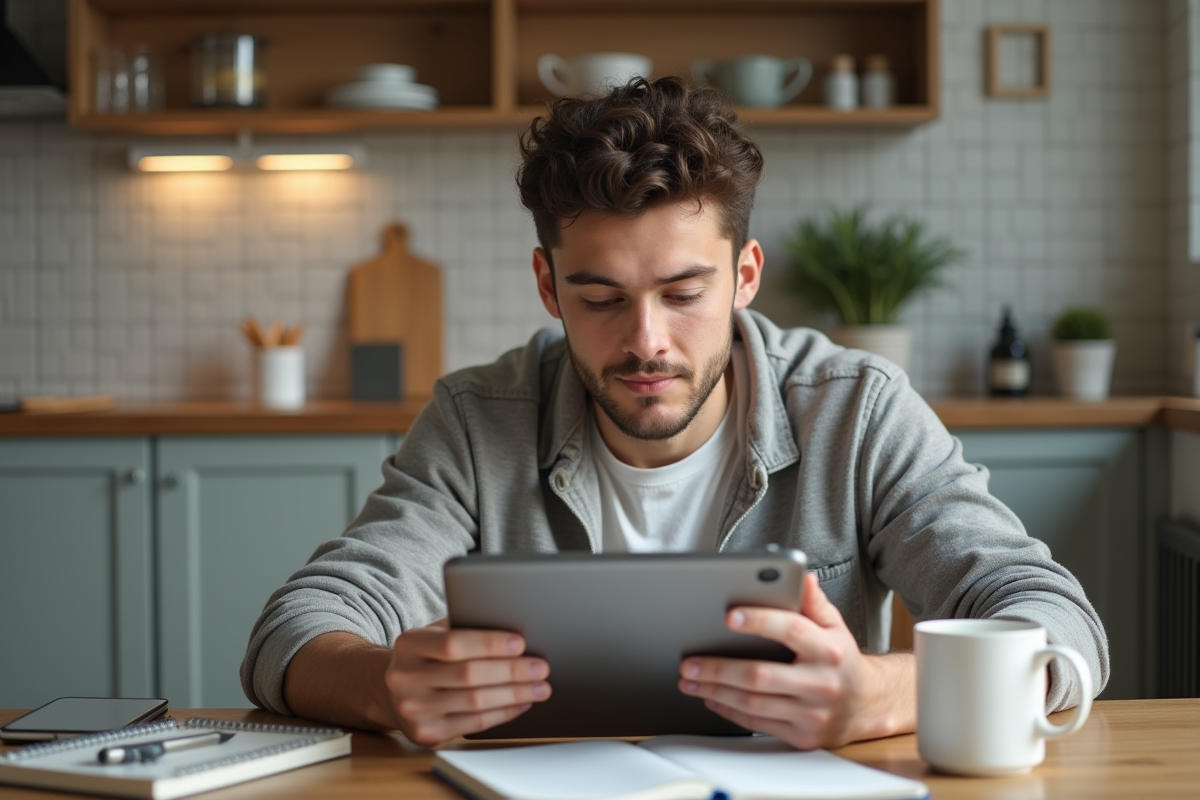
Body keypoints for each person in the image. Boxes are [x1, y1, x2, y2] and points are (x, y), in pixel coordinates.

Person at [241, 77, 1108, 749]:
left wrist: (880, 693)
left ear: (745, 276)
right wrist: (382, 682)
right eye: (601, 297)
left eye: (684, 293)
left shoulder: (856, 409)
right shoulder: (478, 420)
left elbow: (1057, 623)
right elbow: (296, 631)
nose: (645, 341)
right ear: (548, 287)